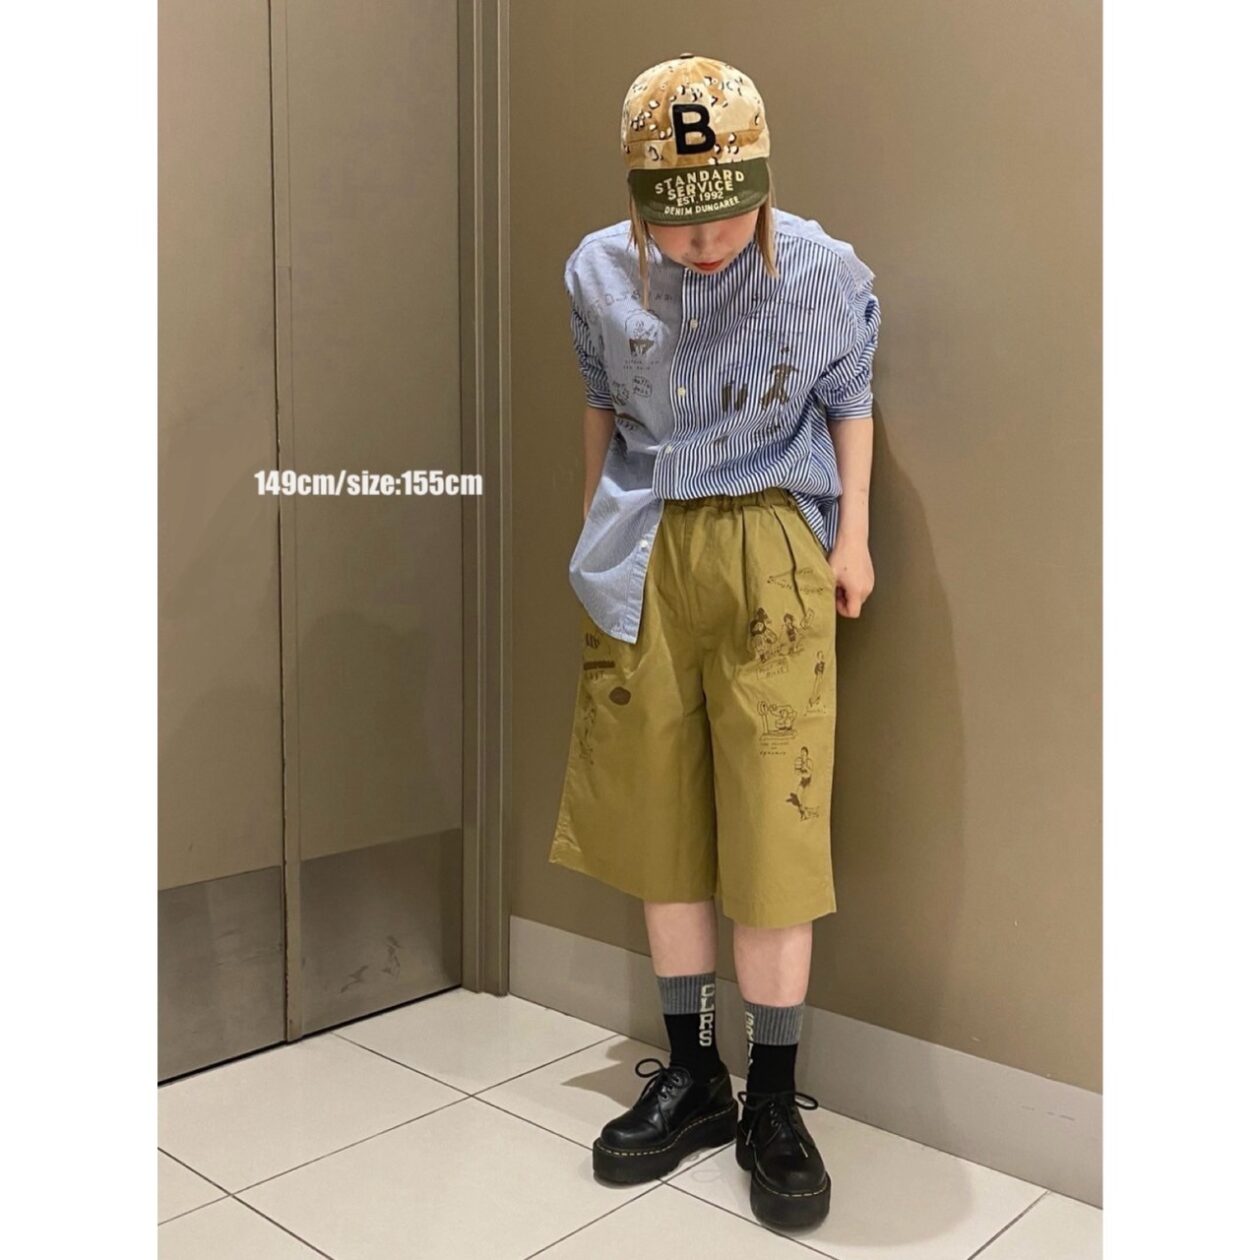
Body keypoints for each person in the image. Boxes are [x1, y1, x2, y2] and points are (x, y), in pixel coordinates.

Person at [548, 52, 880, 1231]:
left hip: (771, 549)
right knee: (663, 826)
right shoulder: (597, 270)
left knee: (776, 827)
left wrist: (854, 537)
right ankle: (694, 1077)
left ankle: (773, 1097)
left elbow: (850, 397)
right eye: (675, 221)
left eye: (726, 216)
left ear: (761, 182)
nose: (701, 244)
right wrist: (594, 543)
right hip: (646, 549)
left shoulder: (827, 271)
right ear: (638, 196)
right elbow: (601, 406)